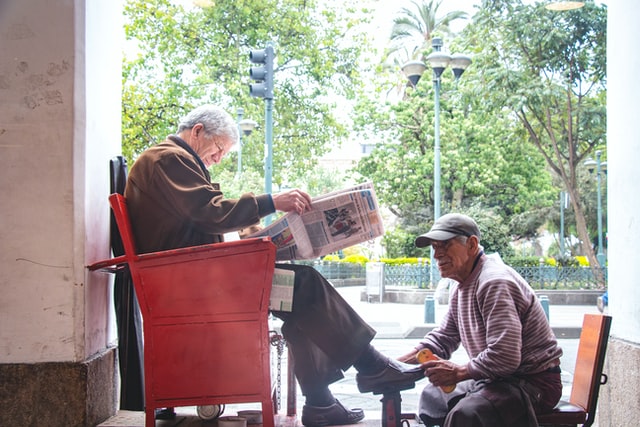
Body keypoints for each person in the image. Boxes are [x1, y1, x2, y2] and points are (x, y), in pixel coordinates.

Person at [123, 104, 425, 426]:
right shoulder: (169, 158)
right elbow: (209, 213)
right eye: (219, 148)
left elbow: (200, 218)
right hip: (190, 283)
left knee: (301, 302)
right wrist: (272, 201)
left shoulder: (171, 160)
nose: (219, 157)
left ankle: (322, 404)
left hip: (190, 276)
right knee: (305, 285)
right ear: (198, 131)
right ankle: (371, 366)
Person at [397, 213, 563, 427]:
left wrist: (458, 373)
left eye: (445, 245)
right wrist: (395, 366)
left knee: (467, 414)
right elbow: (443, 337)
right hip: (498, 379)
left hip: (533, 383)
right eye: (435, 247)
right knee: (433, 397)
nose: (437, 254)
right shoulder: (461, 283)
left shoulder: (494, 282)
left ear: (472, 244)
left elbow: (505, 357)